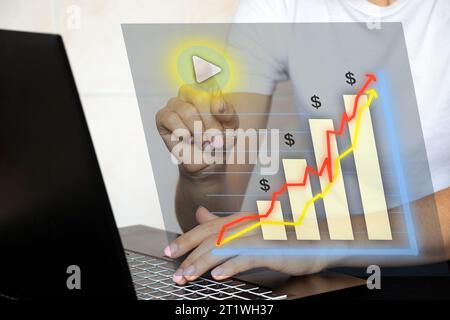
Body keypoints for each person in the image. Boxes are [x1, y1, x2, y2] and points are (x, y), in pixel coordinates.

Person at [155, 0, 450, 285]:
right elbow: (209, 220)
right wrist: (204, 174)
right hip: (333, 264)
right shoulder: (276, 7)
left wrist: (320, 237)